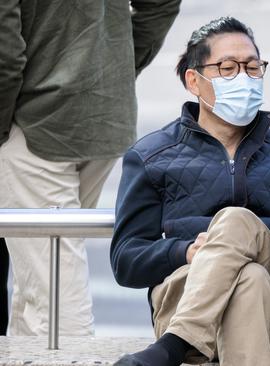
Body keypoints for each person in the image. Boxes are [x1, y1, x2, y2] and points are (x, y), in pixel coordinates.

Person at [110, 17, 270, 366]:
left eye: (253, 67)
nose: (243, 78)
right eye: (227, 68)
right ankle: (184, 335)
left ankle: (173, 346)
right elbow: (126, 261)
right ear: (193, 80)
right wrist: (184, 252)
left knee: (239, 224)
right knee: (249, 278)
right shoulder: (151, 157)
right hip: (183, 296)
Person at [0, 0, 181, 336]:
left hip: (37, 121)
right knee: (42, 278)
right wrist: (113, 68)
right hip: (99, 113)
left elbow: (5, 54)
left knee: (53, 291)